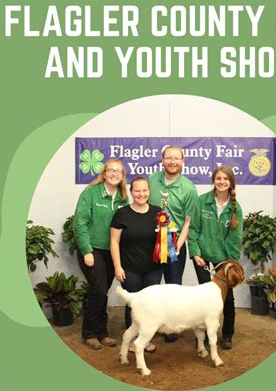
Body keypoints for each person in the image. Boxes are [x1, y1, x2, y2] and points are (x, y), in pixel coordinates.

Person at [73, 159, 129, 350]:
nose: (114, 174)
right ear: (104, 173)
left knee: (101, 292)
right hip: (92, 250)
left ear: (122, 177)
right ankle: (89, 333)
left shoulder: (123, 198)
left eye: (118, 172)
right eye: (111, 170)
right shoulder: (91, 193)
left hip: (111, 252)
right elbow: (79, 223)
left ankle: (102, 332)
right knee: (98, 290)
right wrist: (87, 251)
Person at [188, 165, 243, 350]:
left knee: (227, 299)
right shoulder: (201, 201)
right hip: (202, 257)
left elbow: (235, 238)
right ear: (213, 180)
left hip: (223, 260)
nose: (222, 182)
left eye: (225, 179)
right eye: (218, 178)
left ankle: (227, 334)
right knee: (203, 298)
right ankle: (201, 337)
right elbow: (193, 229)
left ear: (231, 183)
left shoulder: (236, 208)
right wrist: (195, 252)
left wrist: (230, 262)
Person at [148, 145, 198, 342]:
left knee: (173, 287)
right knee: (150, 285)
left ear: (183, 161)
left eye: (176, 158)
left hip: (175, 243)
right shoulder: (152, 180)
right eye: (168, 158)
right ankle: (151, 325)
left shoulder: (189, 189)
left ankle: (171, 328)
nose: (172, 161)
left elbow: (188, 222)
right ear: (162, 160)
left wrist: (178, 245)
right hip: (150, 243)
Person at [110, 177, 162, 353]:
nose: (141, 194)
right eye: (137, 191)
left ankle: (144, 340)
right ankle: (132, 340)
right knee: (133, 305)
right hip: (130, 269)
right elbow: (114, 242)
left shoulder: (158, 213)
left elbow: (164, 240)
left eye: (144, 190)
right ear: (131, 192)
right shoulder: (122, 214)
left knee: (150, 306)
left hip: (153, 270)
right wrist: (118, 266)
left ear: (149, 191)